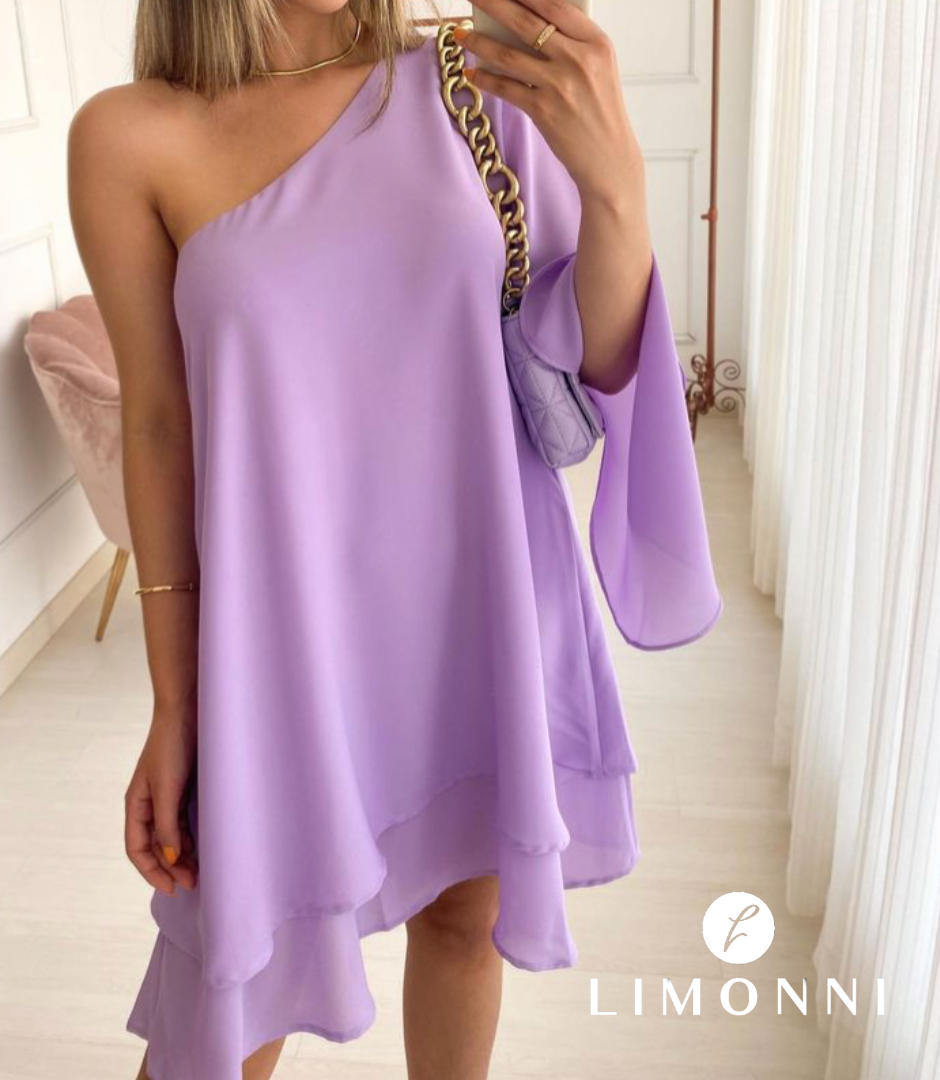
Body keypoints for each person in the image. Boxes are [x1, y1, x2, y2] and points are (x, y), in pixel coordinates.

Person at [67, 0, 721, 1076]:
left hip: (479, 600)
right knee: (235, 989)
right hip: (281, 638)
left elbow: (599, 357)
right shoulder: (128, 137)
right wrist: (175, 702)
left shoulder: (473, 87)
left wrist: (615, 182)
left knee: (464, 923)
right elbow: (158, 424)